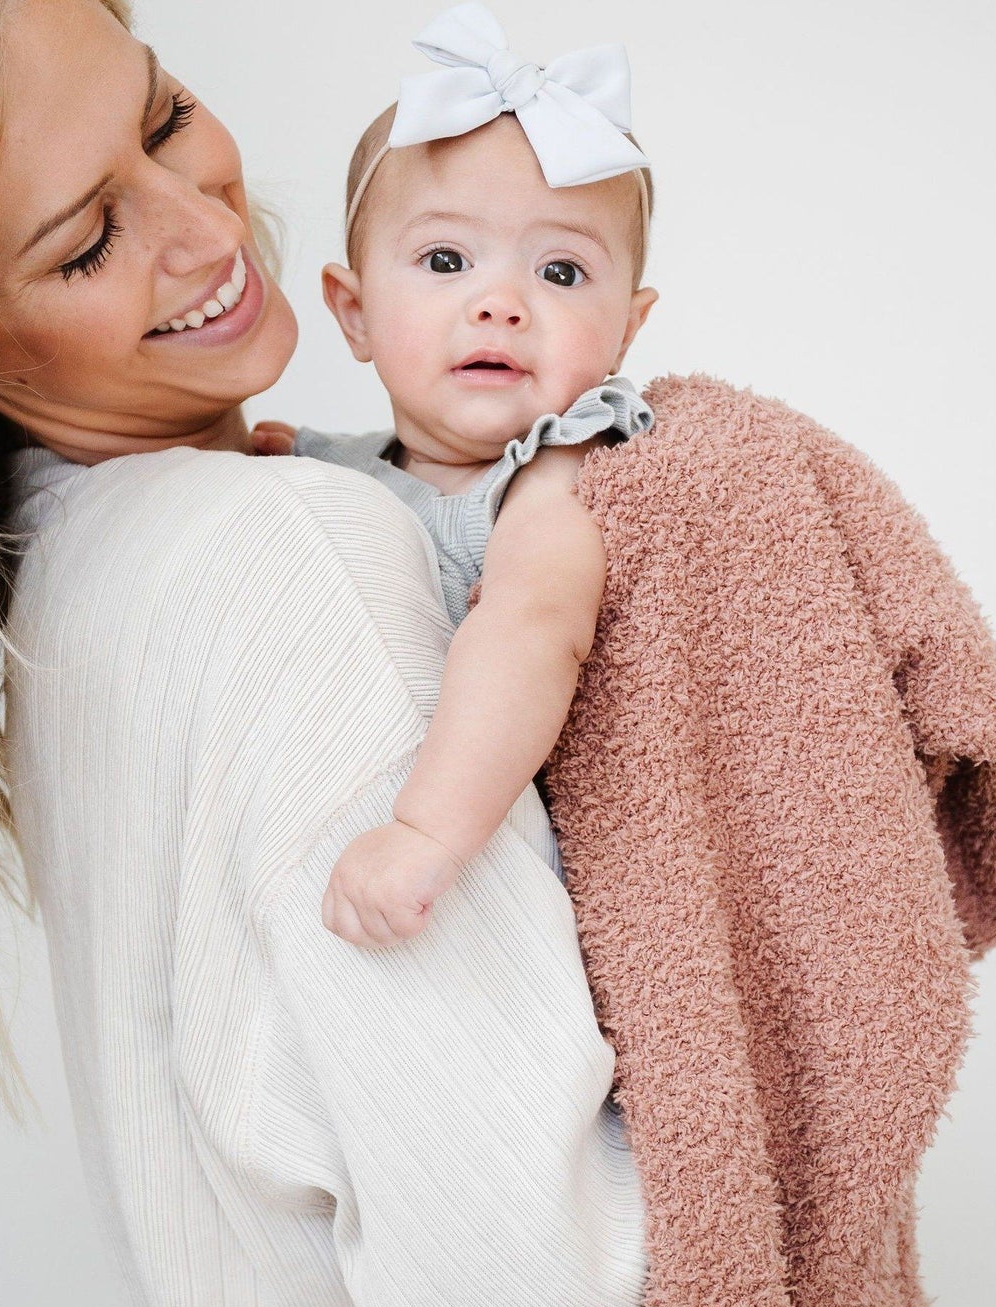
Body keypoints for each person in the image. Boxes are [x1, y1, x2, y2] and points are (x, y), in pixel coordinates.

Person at [0, 2, 647, 1307]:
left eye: (164, 115)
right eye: (84, 242)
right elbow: (550, 1289)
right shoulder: (288, 556)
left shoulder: (76, 577)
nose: (203, 228)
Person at [256, 2, 663, 948]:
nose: (500, 304)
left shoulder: (559, 469)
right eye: (446, 260)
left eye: (561, 273)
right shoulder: (338, 467)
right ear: (354, 312)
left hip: (499, 879)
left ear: (625, 330)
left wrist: (425, 831)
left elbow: (533, 625)